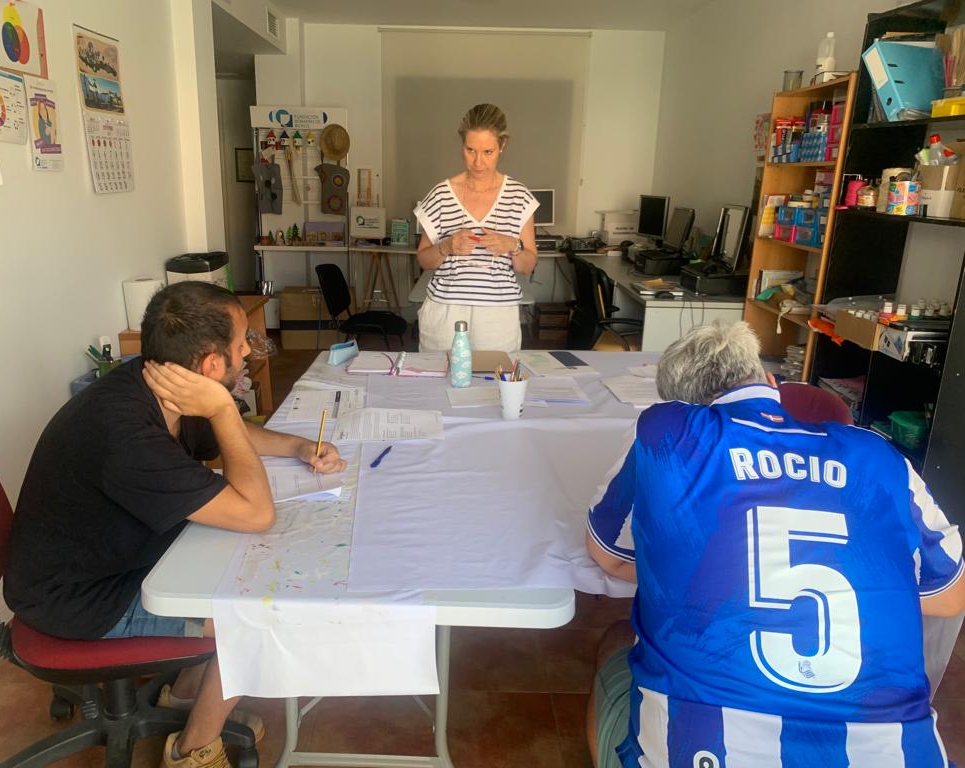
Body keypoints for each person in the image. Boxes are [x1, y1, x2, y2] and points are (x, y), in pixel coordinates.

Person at [585, 321, 964, 768]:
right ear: (771, 383)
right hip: (892, 751)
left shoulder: (664, 432)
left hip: (704, 746)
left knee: (615, 645)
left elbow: (608, 557)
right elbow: (950, 597)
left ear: (683, 405)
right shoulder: (878, 455)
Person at [4, 281, 346, 768]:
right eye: (241, 344)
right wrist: (223, 407)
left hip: (117, 558)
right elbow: (257, 514)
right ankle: (192, 751)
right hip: (79, 598)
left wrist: (296, 446)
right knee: (257, 616)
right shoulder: (126, 436)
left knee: (251, 568)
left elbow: (227, 438)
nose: (247, 352)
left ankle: (183, 697)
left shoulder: (156, 385)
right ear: (209, 366)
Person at [413, 103, 539, 353]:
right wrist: (446, 246)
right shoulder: (441, 194)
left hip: (497, 319)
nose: (478, 162)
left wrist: (512, 245)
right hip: (445, 314)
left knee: (494, 377)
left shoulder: (519, 197)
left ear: (502, 146)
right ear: (462, 145)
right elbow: (424, 260)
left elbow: (527, 265)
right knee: (439, 375)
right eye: (470, 150)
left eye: (488, 152)